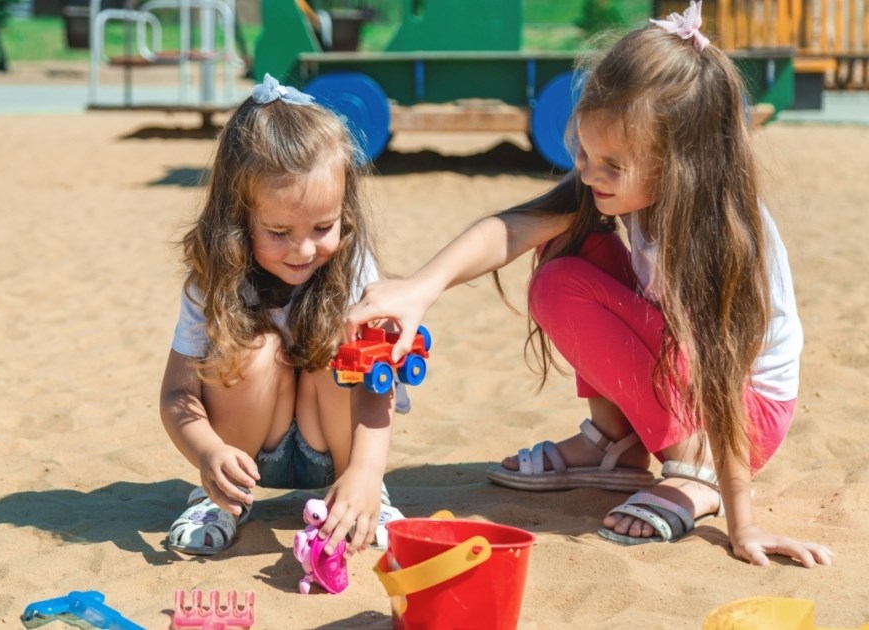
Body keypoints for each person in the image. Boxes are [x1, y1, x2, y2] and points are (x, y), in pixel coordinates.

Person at [344, 3, 833, 567]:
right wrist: (419, 288)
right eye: (582, 151)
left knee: (564, 285)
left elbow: (722, 373)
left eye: (611, 164)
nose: (589, 173)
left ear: (678, 164)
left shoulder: (719, 238)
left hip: (742, 417)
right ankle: (615, 444)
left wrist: (739, 519)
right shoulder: (622, 184)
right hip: (686, 374)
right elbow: (514, 227)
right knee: (562, 246)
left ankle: (693, 473)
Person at [159, 74, 405, 557]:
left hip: (334, 446)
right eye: (278, 231)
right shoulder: (211, 280)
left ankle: (359, 497)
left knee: (339, 343)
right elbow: (176, 392)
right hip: (244, 454)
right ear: (238, 216)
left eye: (323, 226)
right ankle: (220, 502)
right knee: (258, 347)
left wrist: (366, 474)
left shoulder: (353, 270)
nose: (305, 249)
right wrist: (208, 454)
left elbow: (379, 387)